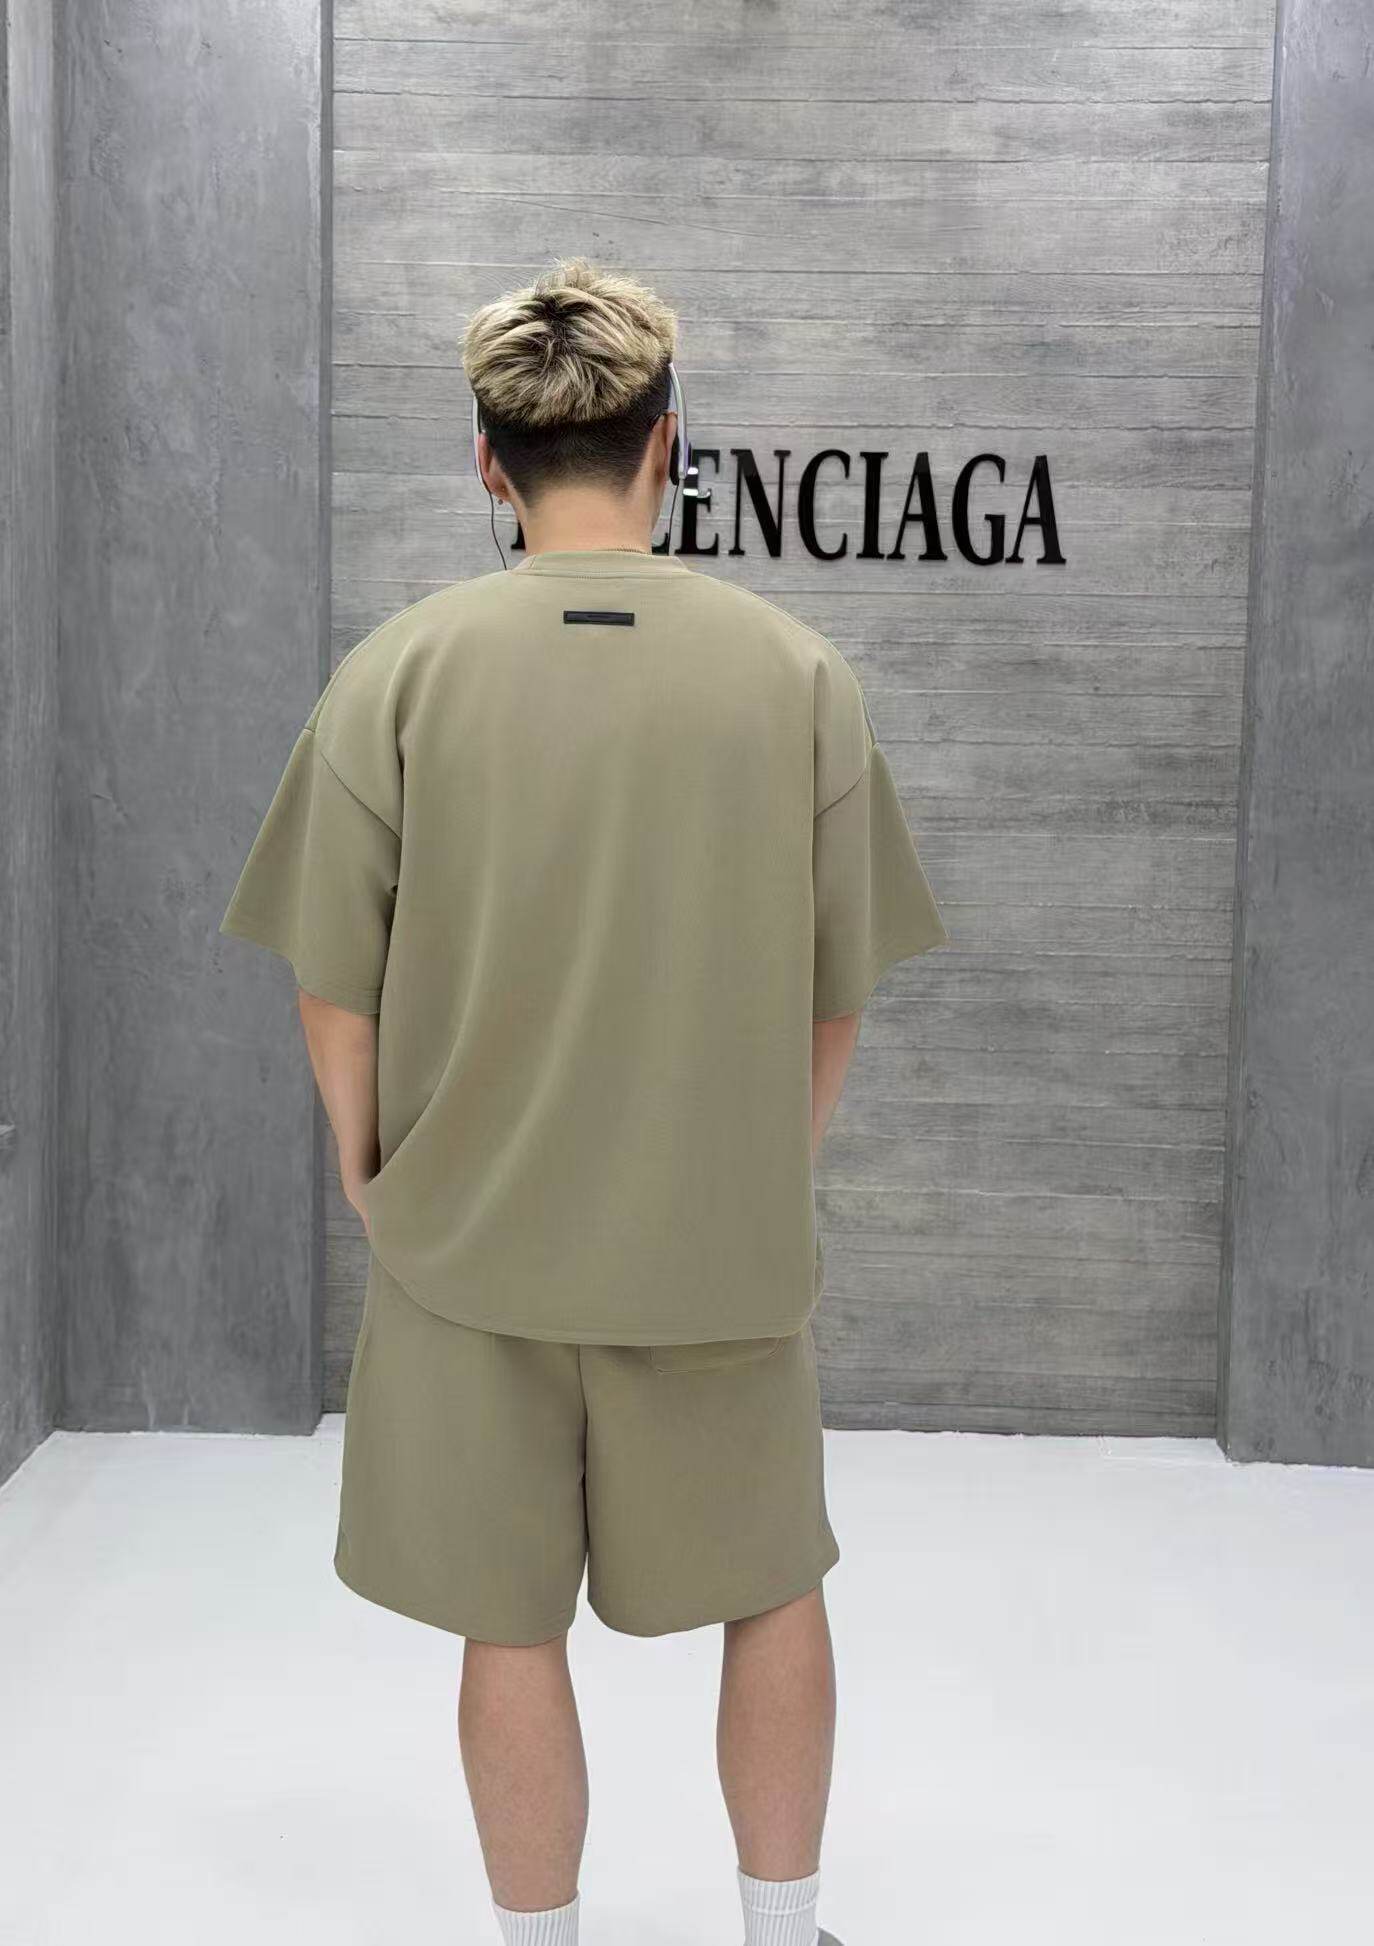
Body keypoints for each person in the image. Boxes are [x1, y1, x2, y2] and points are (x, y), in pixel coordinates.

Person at [219, 257, 948, 1946]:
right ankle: (782, 1930)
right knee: (772, 1585)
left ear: (490, 462)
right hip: (716, 1251)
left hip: (470, 1248)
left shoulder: (397, 675)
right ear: (668, 442)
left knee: (508, 1621)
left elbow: (333, 983)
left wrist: (377, 1177)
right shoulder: (794, 676)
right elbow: (834, 990)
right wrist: (753, 1171)